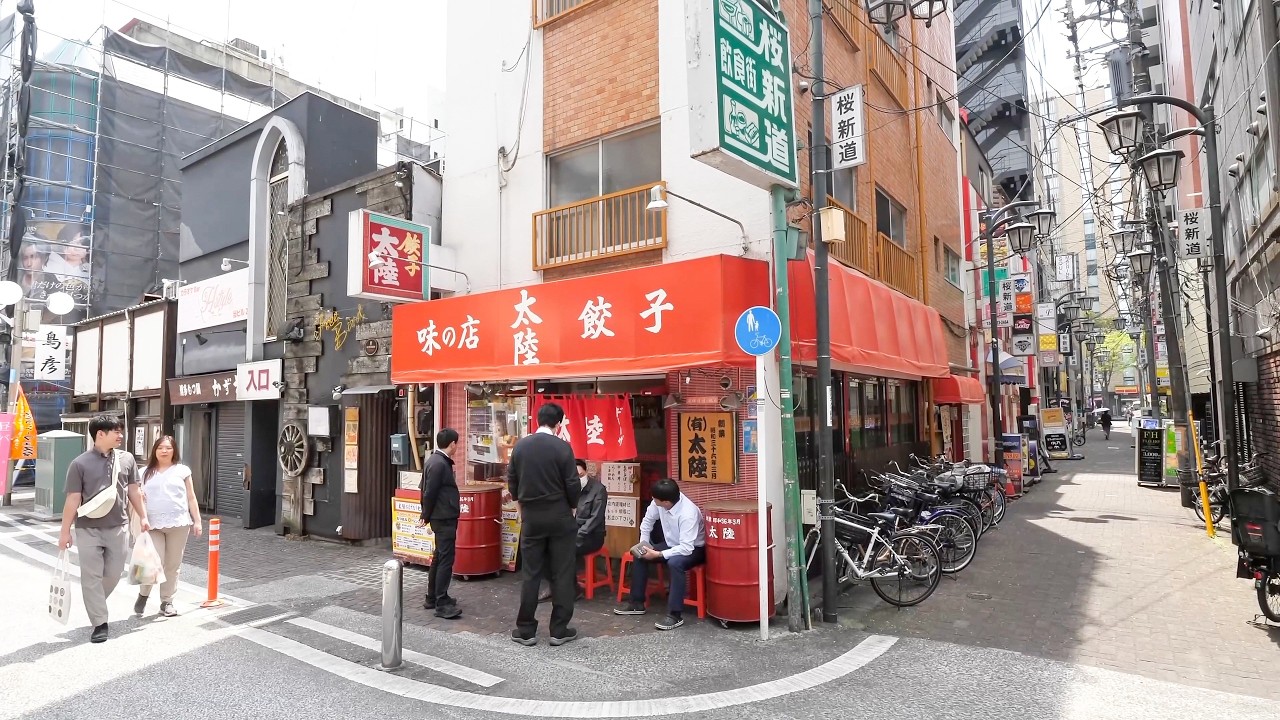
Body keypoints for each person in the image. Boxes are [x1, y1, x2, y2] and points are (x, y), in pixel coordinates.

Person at [57, 415, 150, 643]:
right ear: (100, 434)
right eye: (116, 432)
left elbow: (133, 491)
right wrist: (64, 531)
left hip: (119, 526)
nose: (120, 436)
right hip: (87, 528)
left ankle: (95, 601)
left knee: (114, 573)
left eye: (121, 431)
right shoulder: (79, 464)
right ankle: (100, 622)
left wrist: (144, 516)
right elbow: (73, 499)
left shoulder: (126, 460)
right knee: (91, 576)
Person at [507, 402, 581, 647]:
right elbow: (572, 483)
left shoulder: (520, 446)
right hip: (560, 515)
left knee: (531, 574)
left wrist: (521, 509)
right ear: (559, 424)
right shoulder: (562, 447)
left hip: (532, 517)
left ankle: (526, 630)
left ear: (537, 421)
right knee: (562, 573)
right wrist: (572, 506)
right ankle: (559, 630)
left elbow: (512, 483)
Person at [614, 478, 706, 631]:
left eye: (655, 500)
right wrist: (644, 545)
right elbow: (647, 522)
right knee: (640, 554)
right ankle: (637, 603)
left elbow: (686, 548)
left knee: (674, 563)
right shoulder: (660, 502)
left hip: (694, 549)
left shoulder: (688, 513)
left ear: (666, 503)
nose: (653, 501)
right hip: (671, 543)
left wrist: (658, 554)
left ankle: (675, 614)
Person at [133, 435, 202, 618]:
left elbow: (191, 497)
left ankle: (167, 601)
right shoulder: (143, 472)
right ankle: (143, 594)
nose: (164, 451)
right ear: (154, 450)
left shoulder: (182, 470)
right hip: (152, 524)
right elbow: (134, 496)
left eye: (168, 448)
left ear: (174, 451)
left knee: (173, 564)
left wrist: (198, 521)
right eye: (160, 448)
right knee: (152, 562)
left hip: (179, 523)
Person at [539, 459, 608, 602]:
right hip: (567, 532)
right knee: (543, 548)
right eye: (574, 476)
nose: (578, 479)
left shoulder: (598, 489)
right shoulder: (566, 489)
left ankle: (571, 590)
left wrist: (578, 535)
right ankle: (556, 585)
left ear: (586, 472)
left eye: (580, 475)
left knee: (563, 550)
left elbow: (595, 518)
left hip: (591, 536)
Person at [420, 428, 463, 620]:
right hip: (443, 517)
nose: (457, 447)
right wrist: (425, 515)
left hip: (440, 515)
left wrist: (427, 515)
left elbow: (424, 489)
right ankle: (441, 602)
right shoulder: (439, 464)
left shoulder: (433, 461)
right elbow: (429, 492)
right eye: (456, 443)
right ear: (452, 444)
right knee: (446, 559)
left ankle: (432, 597)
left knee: (439, 557)